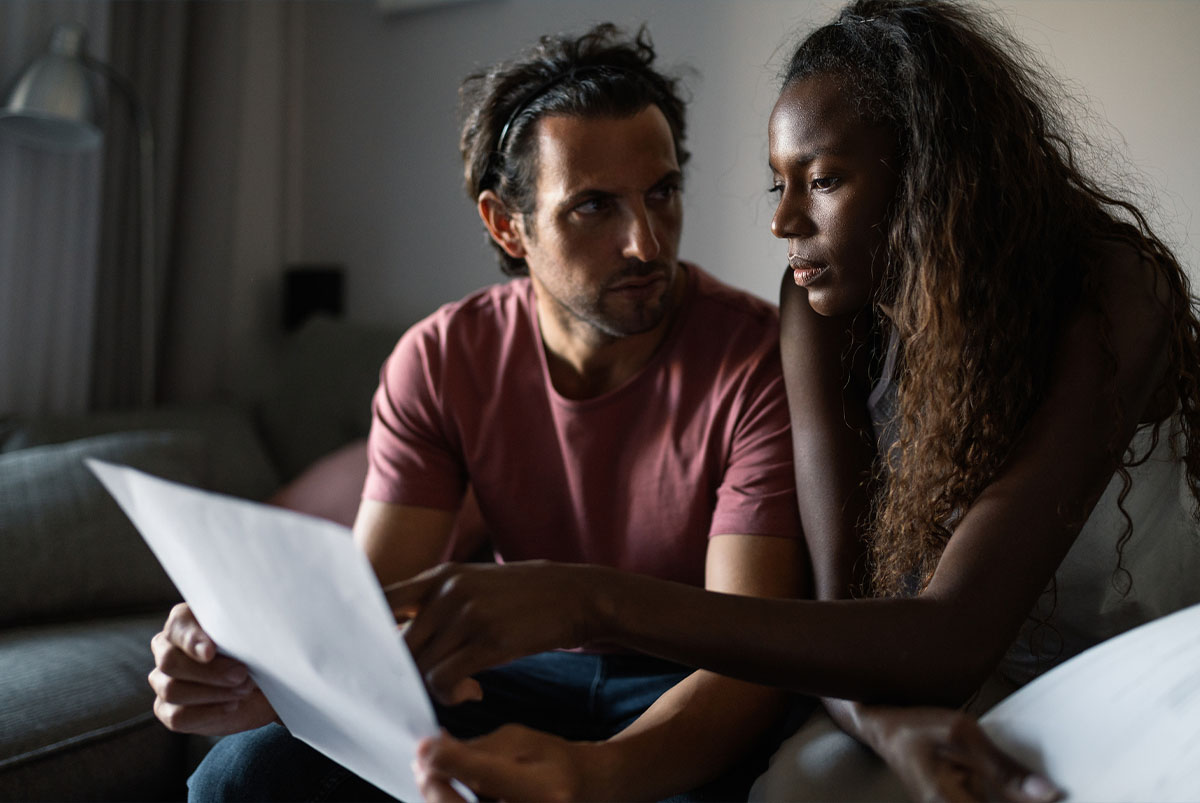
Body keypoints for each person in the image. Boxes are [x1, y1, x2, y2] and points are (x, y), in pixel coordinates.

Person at [388, 2, 1200, 801]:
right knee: (794, 789)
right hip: (923, 678)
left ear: (931, 176)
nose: (781, 219)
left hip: (1137, 658)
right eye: (779, 182)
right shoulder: (818, 314)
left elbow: (956, 629)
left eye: (822, 180)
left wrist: (590, 598)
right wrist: (888, 726)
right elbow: (836, 610)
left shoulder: (1116, 291)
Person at [148, 22, 808, 802]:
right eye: (593, 206)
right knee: (240, 776)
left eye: (661, 192)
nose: (644, 242)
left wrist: (590, 777)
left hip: (682, 681)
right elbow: (372, 609)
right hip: (513, 673)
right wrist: (246, 660)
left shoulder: (758, 359)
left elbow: (746, 659)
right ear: (506, 224)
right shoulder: (440, 359)